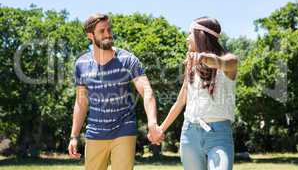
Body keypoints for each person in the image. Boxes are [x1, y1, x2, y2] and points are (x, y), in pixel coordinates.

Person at [68, 13, 164, 170]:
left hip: (124, 129)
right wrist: (74, 136)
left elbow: (147, 91)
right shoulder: (81, 64)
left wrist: (152, 122)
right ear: (90, 35)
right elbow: (81, 102)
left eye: (109, 29)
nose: (107, 34)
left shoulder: (127, 60)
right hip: (95, 133)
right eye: (102, 31)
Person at [159, 17, 238, 170]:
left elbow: (221, 62)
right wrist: (161, 129)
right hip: (190, 134)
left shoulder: (230, 60)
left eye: (190, 33)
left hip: (219, 134)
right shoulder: (192, 64)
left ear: (200, 35)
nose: (187, 37)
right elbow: (181, 101)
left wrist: (205, 58)